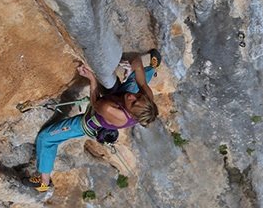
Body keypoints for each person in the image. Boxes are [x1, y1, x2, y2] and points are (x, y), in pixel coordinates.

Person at [24, 50, 161, 192]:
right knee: (136, 80)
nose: (132, 97)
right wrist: (132, 61)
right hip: (118, 101)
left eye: (133, 103)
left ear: (132, 115)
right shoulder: (145, 97)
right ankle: (153, 68)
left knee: (46, 138)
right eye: (138, 97)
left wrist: (92, 79)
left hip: (91, 121)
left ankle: (43, 182)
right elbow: (138, 69)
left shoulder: (110, 110)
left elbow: (95, 102)